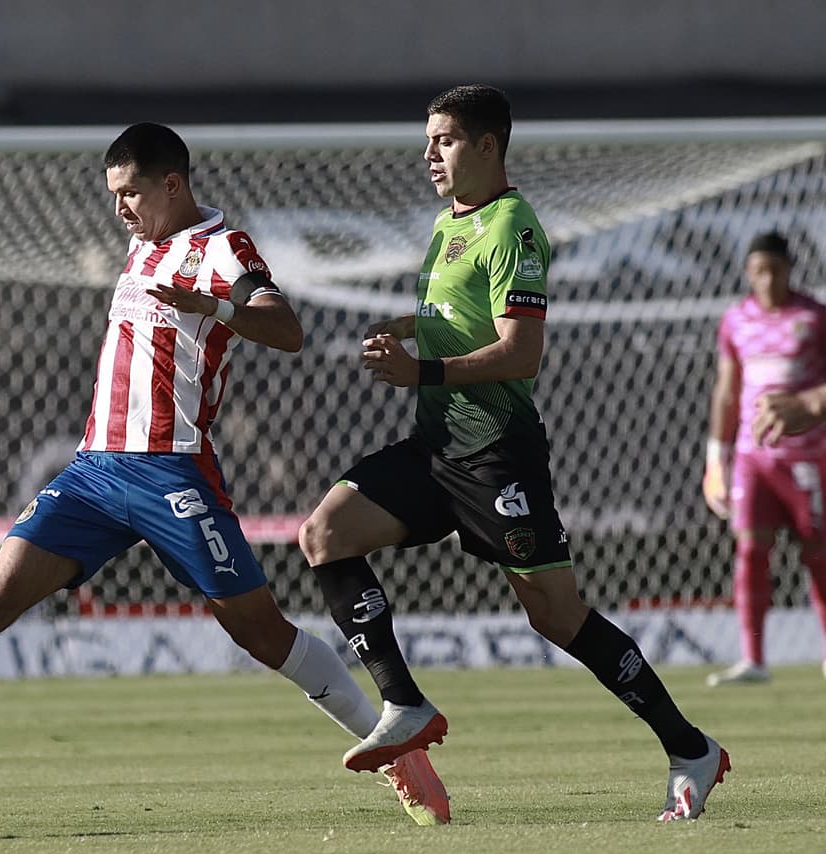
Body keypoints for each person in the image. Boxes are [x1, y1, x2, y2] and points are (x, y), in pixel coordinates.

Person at [0, 122, 451, 825]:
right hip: (93, 471)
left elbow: (286, 328)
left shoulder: (220, 249)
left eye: (131, 192)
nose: (120, 207)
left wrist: (214, 306)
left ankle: (398, 755)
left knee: (262, 634)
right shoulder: (142, 242)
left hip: (172, 474)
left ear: (172, 185)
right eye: (113, 193)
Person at [296, 84, 729, 822]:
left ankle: (691, 749)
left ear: (487, 145)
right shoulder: (448, 224)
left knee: (557, 616)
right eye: (428, 140)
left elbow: (521, 352)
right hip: (437, 445)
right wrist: (406, 324)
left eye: (444, 140)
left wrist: (421, 370)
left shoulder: (513, 228)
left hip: (497, 454)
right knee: (324, 534)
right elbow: (457, 313)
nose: (429, 153)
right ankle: (403, 703)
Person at [702, 231, 826, 685]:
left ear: (789, 269)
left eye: (775, 270)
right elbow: (727, 390)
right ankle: (753, 660)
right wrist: (716, 458)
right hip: (753, 458)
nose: (768, 279)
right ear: (748, 273)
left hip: (809, 455)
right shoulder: (735, 320)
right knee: (751, 548)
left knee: (817, 551)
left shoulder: (814, 317)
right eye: (759, 271)